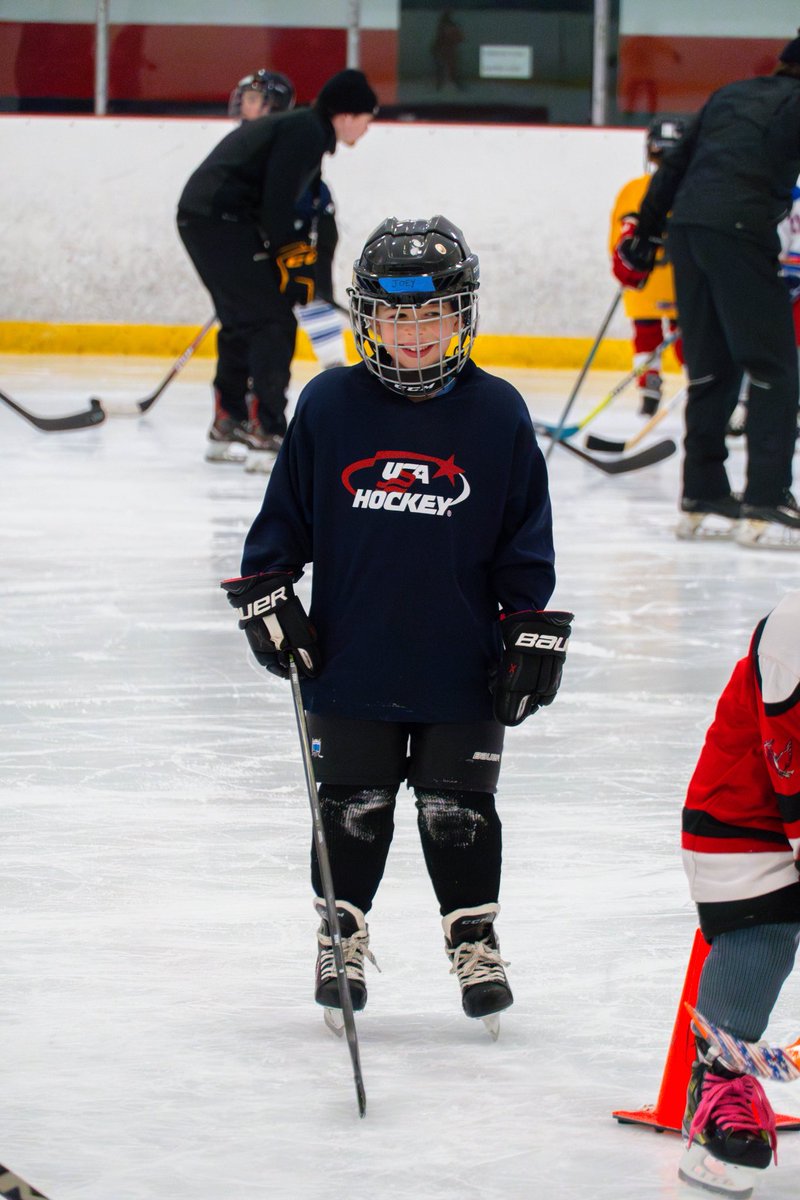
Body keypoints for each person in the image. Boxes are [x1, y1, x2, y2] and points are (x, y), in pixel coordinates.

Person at [221, 215, 572, 1033]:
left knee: (460, 807)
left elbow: (525, 541)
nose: (414, 334)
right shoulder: (329, 404)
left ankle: (474, 938)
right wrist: (268, 594)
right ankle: (339, 934)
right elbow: (282, 526)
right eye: (395, 315)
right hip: (352, 659)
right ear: (367, 318)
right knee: (353, 802)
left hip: (462, 665)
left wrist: (528, 626)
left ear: (463, 316)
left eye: (432, 314)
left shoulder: (498, 413)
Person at [611, 32, 800, 550]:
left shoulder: (731, 94)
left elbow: (673, 168)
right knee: (774, 367)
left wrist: (645, 239)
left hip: (688, 231)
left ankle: (704, 494)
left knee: (713, 366)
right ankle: (766, 499)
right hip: (739, 233)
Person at [176, 68, 377, 470]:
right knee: (273, 323)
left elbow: (283, 203)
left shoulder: (301, 126)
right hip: (220, 221)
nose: (366, 130)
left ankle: (227, 421)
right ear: (350, 114)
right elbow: (277, 202)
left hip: (208, 217)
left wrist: (292, 258)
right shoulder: (307, 131)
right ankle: (268, 431)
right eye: (368, 120)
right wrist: (290, 256)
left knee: (241, 319)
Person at [679, 589, 800, 1196]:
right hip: (742, 818)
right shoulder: (796, 625)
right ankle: (720, 1083)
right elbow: (788, 756)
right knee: (764, 931)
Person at [232, 70, 349, 387]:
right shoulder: (255, 138)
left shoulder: (285, 135)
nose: (246, 105)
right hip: (283, 229)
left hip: (309, 227)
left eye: (255, 100)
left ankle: (334, 366)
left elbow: (289, 194)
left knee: (310, 296)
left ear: (275, 105)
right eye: (246, 99)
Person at [608, 118, 685, 416]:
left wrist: (624, 272)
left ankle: (649, 386)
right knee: (688, 337)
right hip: (684, 280)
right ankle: (699, 384)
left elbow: (617, 239)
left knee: (646, 331)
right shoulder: (696, 189)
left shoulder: (634, 189)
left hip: (645, 281)